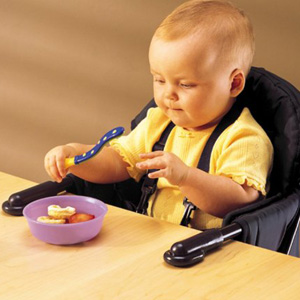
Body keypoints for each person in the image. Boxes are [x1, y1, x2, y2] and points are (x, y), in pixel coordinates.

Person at [44, 0, 273, 230]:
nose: (168, 94)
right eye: (159, 80)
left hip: (209, 252)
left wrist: (186, 177)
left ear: (233, 84)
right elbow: (117, 163)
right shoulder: (159, 123)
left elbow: (241, 200)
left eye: (185, 84)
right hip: (153, 239)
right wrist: (75, 155)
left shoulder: (244, 138)